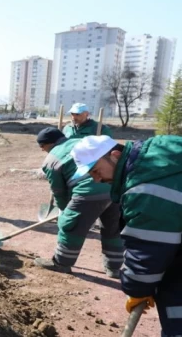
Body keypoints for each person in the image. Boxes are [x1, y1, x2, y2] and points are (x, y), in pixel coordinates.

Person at [70, 134, 182, 337]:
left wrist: (136, 288)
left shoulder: (144, 190)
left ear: (114, 155)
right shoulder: (158, 155)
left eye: (96, 171)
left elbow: (148, 250)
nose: (97, 179)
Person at [33, 128, 123, 278]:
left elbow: (59, 191)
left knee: (71, 226)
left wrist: (64, 210)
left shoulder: (51, 159)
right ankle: (114, 268)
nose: (42, 150)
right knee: (113, 228)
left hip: (88, 192)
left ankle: (61, 263)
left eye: (42, 146)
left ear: (48, 144)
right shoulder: (80, 142)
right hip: (114, 187)